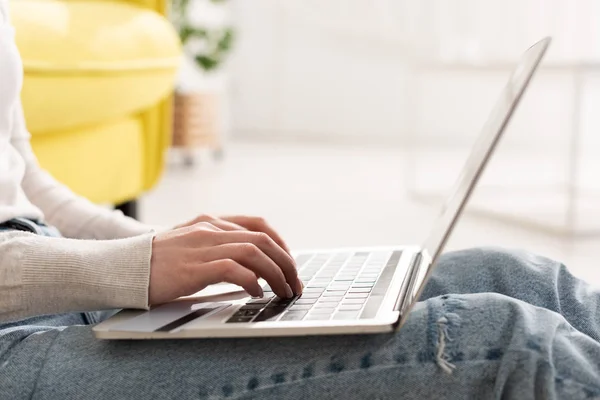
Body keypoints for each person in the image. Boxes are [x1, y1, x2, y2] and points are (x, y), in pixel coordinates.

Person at [1, 2, 599, 399]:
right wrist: (132, 268)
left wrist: (163, 248)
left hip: (58, 273)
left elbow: (24, 176)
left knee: (523, 277)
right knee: (505, 344)